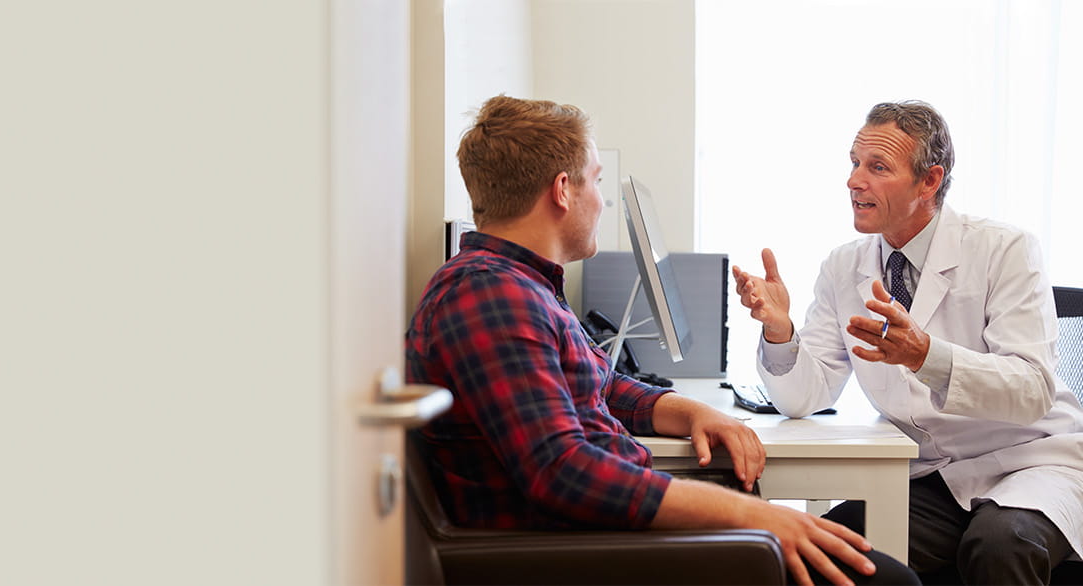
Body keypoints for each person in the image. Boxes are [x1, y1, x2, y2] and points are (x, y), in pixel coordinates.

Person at [407, 94, 916, 586]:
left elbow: (604, 388)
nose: (601, 201)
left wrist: (695, 413)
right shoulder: (492, 296)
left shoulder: (523, 286)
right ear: (563, 190)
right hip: (577, 555)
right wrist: (756, 518)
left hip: (599, 541)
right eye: (596, 182)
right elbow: (564, 473)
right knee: (885, 579)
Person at [733, 100, 1083, 585]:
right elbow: (804, 397)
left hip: (1030, 463)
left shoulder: (1005, 250)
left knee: (999, 545)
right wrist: (779, 331)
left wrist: (926, 356)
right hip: (933, 478)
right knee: (817, 553)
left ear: (930, 182)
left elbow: (1032, 389)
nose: (855, 181)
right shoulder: (843, 266)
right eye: (854, 163)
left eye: (877, 167)